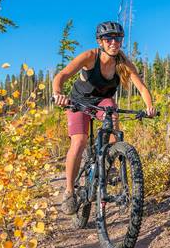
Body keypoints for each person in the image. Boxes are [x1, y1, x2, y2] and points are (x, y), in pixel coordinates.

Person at [52, 21, 155, 215]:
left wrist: (149, 107)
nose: (114, 42)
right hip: (78, 103)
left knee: (113, 115)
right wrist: (58, 93)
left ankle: (109, 163)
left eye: (118, 38)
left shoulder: (123, 62)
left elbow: (141, 87)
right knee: (79, 141)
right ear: (100, 41)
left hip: (102, 102)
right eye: (109, 38)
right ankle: (69, 191)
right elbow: (62, 75)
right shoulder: (90, 57)